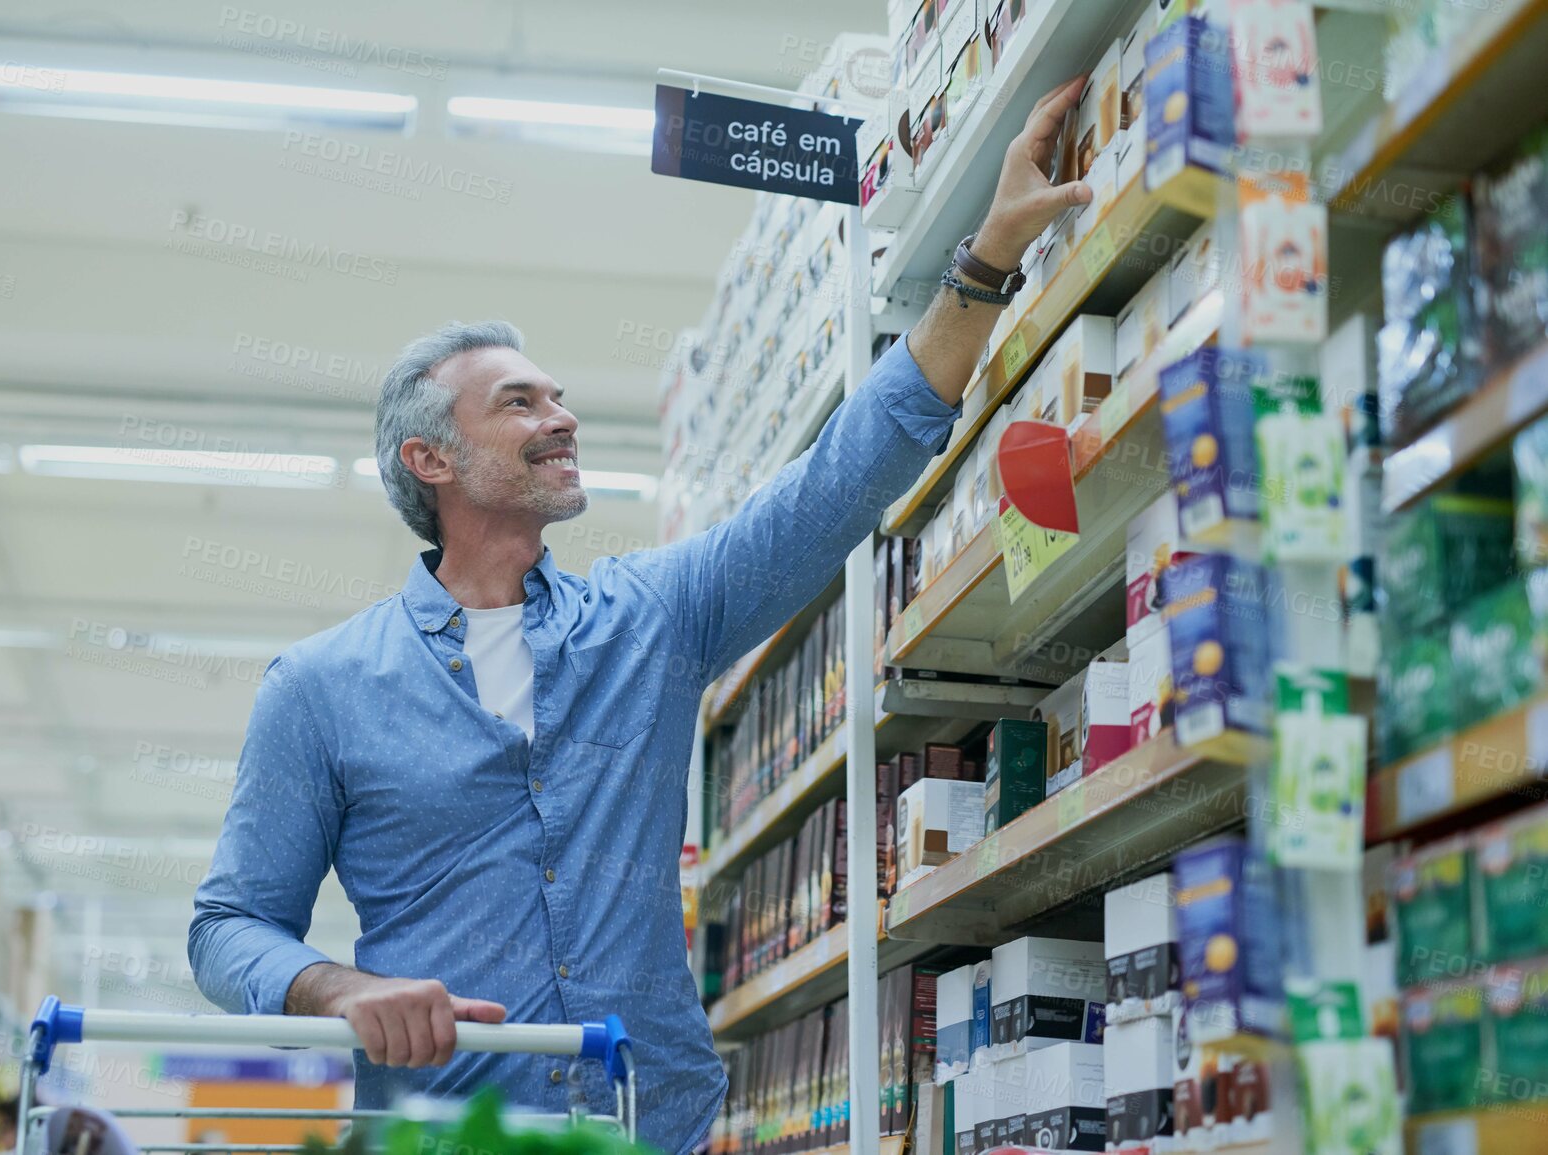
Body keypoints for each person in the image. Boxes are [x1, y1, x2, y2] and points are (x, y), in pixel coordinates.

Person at [189, 76, 1094, 1155]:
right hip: (445, 1132)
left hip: (645, 1124)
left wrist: (987, 259)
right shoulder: (321, 688)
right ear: (428, 460)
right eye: (519, 402)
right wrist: (336, 989)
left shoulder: (650, 617)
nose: (561, 416)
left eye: (558, 395)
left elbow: (841, 483)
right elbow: (228, 926)